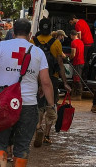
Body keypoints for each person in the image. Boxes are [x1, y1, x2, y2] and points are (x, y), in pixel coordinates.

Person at [0, 18, 57, 167]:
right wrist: (51, 106)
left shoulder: (2, 46)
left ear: (13, 32)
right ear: (30, 34)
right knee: (22, 147)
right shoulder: (38, 52)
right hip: (28, 105)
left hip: (4, 105)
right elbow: (46, 82)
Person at [30, 18, 71, 147]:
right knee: (50, 105)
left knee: (37, 106)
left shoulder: (33, 42)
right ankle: (47, 135)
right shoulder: (56, 43)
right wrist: (64, 82)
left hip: (35, 78)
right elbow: (60, 63)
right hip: (51, 78)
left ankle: (38, 128)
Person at [69, 30, 85, 100]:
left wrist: (69, 58)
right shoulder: (81, 42)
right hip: (81, 61)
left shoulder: (73, 42)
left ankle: (78, 95)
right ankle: (75, 94)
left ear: (72, 35)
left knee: (77, 79)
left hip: (77, 62)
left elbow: (73, 54)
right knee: (77, 78)